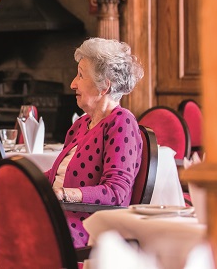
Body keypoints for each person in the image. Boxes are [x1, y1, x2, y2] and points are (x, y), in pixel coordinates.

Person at [46, 38, 144, 247]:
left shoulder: (122, 122)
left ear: (104, 86)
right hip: (57, 215)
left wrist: (65, 194)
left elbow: (117, 192)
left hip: (87, 228)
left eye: (81, 75)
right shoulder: (81, 124)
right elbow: (57, 177)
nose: (73, 84)